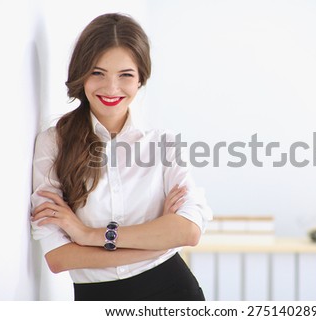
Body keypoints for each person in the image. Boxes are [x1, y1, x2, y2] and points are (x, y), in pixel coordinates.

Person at [30, 13, 212, 301]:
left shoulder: (163, 143)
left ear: (140, 78)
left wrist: (87, 235)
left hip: (174, 291)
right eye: (97, 72)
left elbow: (188, 232)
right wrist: (157, 243)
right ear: (81, 73)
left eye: (125, 75)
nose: (111, 88)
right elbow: (60, 258)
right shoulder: (54, 143)